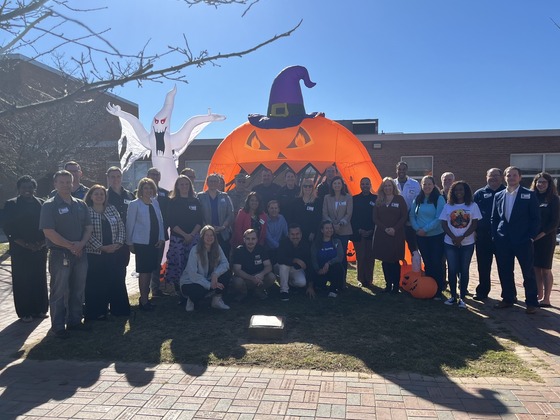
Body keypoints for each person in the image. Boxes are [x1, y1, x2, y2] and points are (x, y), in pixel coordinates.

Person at [40, 170, 93, 338]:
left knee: (78, 290)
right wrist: (71, 246)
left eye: (68, 182)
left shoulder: (80, 204)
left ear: (73, 183)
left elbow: (88, 228)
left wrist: (81, 244)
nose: (65, 185)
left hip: (80, 254)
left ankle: (75, 321)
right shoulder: (49, 205)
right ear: (55, 184)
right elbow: (48, 231)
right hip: (59, 254)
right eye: (61, 182)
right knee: (59, 291)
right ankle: (58, 326)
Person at [491, 166, 540, 314]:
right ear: (504, 178)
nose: (511, 178)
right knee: (505, 270)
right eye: (508, 175)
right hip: (503, 240)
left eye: (514, 175)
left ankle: (531, 302)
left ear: (519, 177)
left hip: (523, 240)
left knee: (528, 272)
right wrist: (495, 236)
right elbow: (494, 218)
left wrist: (531, 236)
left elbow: (536, 219)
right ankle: (508, 298)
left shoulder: (529, 195)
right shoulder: (498, 195)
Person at [3, 175, 48, 323]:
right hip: (20, 250)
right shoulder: (11, 204)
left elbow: (47, 225)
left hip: (39, 248)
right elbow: (8, 228)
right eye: (24, 187)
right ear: (19, 189)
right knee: (23, 280)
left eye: (30, 187)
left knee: (39, 278)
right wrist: (26, 244)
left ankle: (40, 309)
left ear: (34, 188)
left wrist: (41, 243)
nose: (27, 190)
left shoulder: (42, 203)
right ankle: (25, 312)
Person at [84, 185, 128, 321]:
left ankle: (118, 310)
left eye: (102, 194)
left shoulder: (111, 209)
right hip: (96, 254)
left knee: (116, 280)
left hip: (114, 252)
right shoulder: (87, 211)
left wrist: (118, 243)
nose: (99, 196)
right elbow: (87, 233)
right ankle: (98, 312)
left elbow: (121, 226)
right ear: (90, 196)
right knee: (97, 284)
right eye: (96, 194)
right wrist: (102, 247)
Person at [440, 181, 481, 308]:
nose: (459, 192)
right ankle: (453, 296)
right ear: (452, 192)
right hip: (450, 243)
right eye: (456, 190)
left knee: (464, 270)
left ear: (466, 191)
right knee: (452, 269)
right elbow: (444, 224)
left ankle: (462, 298)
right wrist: (454, 238)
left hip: (467, 243)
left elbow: (474, 224)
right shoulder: (448, 206)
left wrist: (462, 237)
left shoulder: (473, 206)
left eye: (461, 190)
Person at [126, 178, 165, 311]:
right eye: (145, 188)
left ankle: (146, 298)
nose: (148, 191)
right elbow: (130, 224)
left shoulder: (155, 203)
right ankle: (143, 300)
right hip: (141, 243)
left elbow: (160, 222)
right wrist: (129, 243)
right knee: (144, 272)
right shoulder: (134, 204)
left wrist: (161, 237)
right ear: (141, 190)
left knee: (150, 270)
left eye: (150, 188)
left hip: (154, 242)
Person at [164, 175, 203, 296]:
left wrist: (191, 235)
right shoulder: (173, 201)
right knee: (178, 263)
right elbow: (172, 221)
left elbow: (199, 221)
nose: (184, 186)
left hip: (194, 237)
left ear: (190, 186)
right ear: (177, 186)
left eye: (187, 184)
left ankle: (193, 287)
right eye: (182, 184)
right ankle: (178, 289)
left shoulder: (195, 201)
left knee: (192, 264)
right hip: (178, 238)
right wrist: (185, 235)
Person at [410, 176, 446, 298]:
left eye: (429, 184)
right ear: (421, 185)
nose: (427, 187)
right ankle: (429, 288)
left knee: (436, 262)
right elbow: (412, 216)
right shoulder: (418, 199)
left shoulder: (439, 199)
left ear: (434, 185)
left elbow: (439, 218)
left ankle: (438, 289)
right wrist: (417, 229)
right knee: (427, 262)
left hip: (436, 236)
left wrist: (425, 229)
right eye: (424, 184)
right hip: (421, 237)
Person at [180, 225, 231, 311]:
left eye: (211, 235)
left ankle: (216, 300)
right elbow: (193, 274)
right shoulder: (195, 250)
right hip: (191, 281)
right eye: (206, 235)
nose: (209, 237)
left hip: (210, 279)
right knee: (197, 291)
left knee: (226, 274)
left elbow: (225, 263)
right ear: (202, 236)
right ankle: (191, 300)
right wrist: (209, 284)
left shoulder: (217, 248)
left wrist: (215, 274)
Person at [473, 168, 505, 301]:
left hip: (502, 236)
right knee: (483, 266)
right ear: (486, 177)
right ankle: (482, 291)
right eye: (491, 176)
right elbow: (472, 214)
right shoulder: (479, 194)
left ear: (501, 177)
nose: (493, 178)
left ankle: (509, 294)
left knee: (504, 266)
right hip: (483, 236)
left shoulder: (507, 192)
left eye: (496, 176)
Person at [372, 177, 408, 293]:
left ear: (393, 187)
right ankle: (388, 284)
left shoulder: (399, 199)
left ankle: (396, 285)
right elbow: (375, 218)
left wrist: (394, 229)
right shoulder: (379, 200)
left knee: (394, 260)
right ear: (382, 188)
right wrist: (385, 228)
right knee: (385, 260)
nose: (387, 188)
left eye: (389, 186)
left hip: (396, 234)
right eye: (385, 186)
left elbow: (404, 216)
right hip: (382, 234)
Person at [106, 166, 136, 301]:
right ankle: (109, 300)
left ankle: (119, 299)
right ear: (108, 178)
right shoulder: (104, 195)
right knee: (110, 271)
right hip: (109, 239)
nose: (116, 179)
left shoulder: (129, 195)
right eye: (112, 176)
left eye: (118, 176)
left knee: (122, 269)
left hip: (125, 239)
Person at [530, 172, 559, 307]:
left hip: (546, 238)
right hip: (532, 238)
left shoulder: (554, 199)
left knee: (545, 269)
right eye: (538, 182)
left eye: (544, 182)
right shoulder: (532, 197)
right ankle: (538, 294)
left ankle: (546, 299)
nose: (541, 184)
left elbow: (554, 222)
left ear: (549, 184)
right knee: (535, 267)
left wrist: (540, 235)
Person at [231, 229, 276, 301]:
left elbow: (268, 266)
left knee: (271, 277)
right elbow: (237, 270)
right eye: (248, 239)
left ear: (257, 239)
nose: (250, 241)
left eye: (253, 239)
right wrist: (252, 278)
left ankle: (258, 291)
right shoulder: (239, 250)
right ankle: (243, 293)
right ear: (244, 239)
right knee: (237, 282)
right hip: (244, 279)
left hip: (259, 278)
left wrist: (261, 274)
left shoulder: (261, 249)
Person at [197, 173, 234, 258]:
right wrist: (207, 227)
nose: (213, 183)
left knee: (224, 256)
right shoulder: (200, 196)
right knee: (207, 257)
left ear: (218, 183)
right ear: (207, 182)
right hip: (207, 233)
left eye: (215, 181)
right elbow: (198, 215)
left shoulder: (225, 196)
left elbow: (230, 214)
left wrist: (223, 226)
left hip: (223, 234)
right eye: (211, 181)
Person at [146, 167, 170, 298]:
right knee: (145, 263)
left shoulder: (165, 194)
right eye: (152, 174)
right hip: (144, 236)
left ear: (160, 177)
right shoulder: (139, 192)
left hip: (160, 234)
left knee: (157, 262)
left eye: (156, 175)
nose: (154, 177)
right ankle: (145, 288)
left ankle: (155, 289)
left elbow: (168, 214)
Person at [322, 175, 353, 275]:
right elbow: (324, 213)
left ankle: (342, 280)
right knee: (331, 254)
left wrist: (340, 223)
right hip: (330, 231)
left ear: (342, 185)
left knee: (342, 255)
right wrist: (332, 225)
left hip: (344, 230)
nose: (337, 185)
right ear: (332, 185)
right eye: (335, 183)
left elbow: (349, 213)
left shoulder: (348, 197)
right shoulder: (327, 197)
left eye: (339, 183)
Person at [351, 177, 377, 288]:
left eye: (367, 184)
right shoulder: (354, 199)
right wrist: (359, 230)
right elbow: (352, 217)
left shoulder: (376, 199)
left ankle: (369, 279)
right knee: (360, 257)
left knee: (370, 257)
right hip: (359, 232)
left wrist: (372, 229)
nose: (365, 186)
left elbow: (377, 216)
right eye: (363, 184)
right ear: (360, 185)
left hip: (372, 232)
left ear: (370, 185)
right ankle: (361, 279)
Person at [309, 220, 345, 298]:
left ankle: (333, 289)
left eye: (331, 228)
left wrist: (329, 263)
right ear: (322, 230)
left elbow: (340, 257)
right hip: (320, 270)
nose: (329, 230)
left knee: (338, 267)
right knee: (319, 284)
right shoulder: (316, 243)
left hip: (332, 269)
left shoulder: (337, 241)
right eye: (327, 228)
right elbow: (313, 259)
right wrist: (318, 270)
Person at [276, 224, 312, 301]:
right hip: (281, 268)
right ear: (288, 235)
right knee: (284, 266)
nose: (295, 236)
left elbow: (309, 265)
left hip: (295, 269)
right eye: (292, 234)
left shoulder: (305, 245)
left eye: (297, 234)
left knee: (302, 283)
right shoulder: (283, 242)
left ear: (301, 234)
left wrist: (310, 286)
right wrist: (295, 260)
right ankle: (284, 291)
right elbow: (280, 259)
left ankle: (288, 283)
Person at [394, 161, 421, 253]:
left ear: (407, 170)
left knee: (413, 247)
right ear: (396, 170)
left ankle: (416, 266)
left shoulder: (415, 184)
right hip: (396, 220)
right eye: (399, 169)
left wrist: (409, 215)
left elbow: (418, 201)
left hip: (410, 220)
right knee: (397, 246)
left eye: (403, 169)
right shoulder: (392, 183)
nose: (401, 171)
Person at [291, 178, 322, 243]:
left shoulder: (317, 202)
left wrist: (313, 232)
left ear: (313, 188)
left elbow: (318, 218)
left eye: (310, 186)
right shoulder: (296, 201)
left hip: (311, 234)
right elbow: (293, 216)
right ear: (302, 187)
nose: (307, 188)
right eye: (305, 186)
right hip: (297, 234)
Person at [265, 200, 288, 265]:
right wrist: (280, 247)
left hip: (279, 249)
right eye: (271, 208)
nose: (274, 210)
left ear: (279, 209)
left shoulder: (282, 218)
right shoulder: (264, 219)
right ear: (268, 209)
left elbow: (286, 233)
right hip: (267, 250)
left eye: (276, 208)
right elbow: (267, 238)